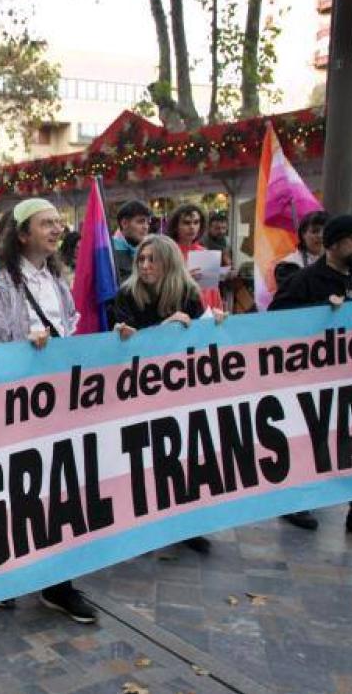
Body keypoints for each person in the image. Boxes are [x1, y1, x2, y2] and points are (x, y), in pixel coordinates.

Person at [0, 198, 96, 624]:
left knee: (58, 490)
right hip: (15, 409)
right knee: (14, 491)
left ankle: (58, 583)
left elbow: (71, 329)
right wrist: (24, 349)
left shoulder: (56, 280)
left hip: (56, 405)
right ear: (22, 234)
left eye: (59, 223)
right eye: (46, 224)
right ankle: (3, 577)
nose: (57, 230)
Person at [270, 214, 352, 534]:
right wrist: (320, 312)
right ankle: (295, 502)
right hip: (311, 379)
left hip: (351, 379)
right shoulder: (305, 280)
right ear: (333, 243)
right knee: (309, 440)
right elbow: (274, 321)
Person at [110, 234, 226, 554]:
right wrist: (166, 328)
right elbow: (126, 346)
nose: (145, 265)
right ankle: (143, 525)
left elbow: (202, 337)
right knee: (144, 461)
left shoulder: (188, 292)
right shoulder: (126, 294)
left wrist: (216, 323)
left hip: (180, 392)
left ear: (169, 262)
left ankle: (184, 525)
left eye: (153, 259)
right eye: (141, 259)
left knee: (182, 459)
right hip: (139, 392)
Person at [166, 203, 224, 310]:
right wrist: (184, 279)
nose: (192, 227)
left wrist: (218, 310)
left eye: (196, 222)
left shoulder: (205, 253)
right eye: (186, 223)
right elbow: (161, 289)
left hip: (206, 312)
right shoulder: (167, 253)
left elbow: (213, 291)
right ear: (175, 226)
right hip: (179, 310)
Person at [274, 210, 327, 290]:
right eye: (315, 231)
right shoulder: (288, 265)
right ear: (303, 235)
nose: (320, 235)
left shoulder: (339, 262)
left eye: (326, 231)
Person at [112, 199, 151, 284]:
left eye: (148, 223)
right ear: (124, 223)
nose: (146, 227)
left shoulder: (149, 250)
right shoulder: (109, 252)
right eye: (140, 222)